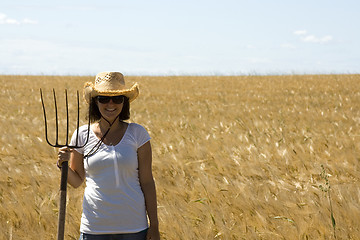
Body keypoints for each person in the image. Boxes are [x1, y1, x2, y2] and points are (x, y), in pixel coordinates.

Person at [57, 72, 160, 240]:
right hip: (94, 228)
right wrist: (63, 165)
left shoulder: (138, 133)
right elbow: (76, 181)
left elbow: (147, 182)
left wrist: (154, 226)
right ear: (95, 102)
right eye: (103, 98)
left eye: (117, 98)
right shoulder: (82, 135)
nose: (110, 104)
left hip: (134, 228)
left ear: (124, 102)